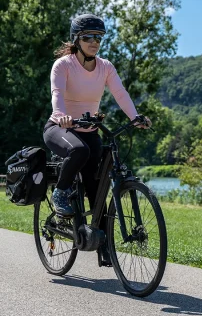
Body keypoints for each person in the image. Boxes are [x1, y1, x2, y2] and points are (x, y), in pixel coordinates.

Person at [43, 14, 150, 263]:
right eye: (89, 37)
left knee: (98, 188)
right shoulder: (63, 65)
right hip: (60, 128)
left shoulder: (105, 67)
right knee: (79, 150)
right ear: (77, 39)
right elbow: (57, 93)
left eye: (99, 37)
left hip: (89, 130)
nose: (94, 42)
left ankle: (104, 248)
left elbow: (120, 94)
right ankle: (61, 191)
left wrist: (135, 117)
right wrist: (60, 116)